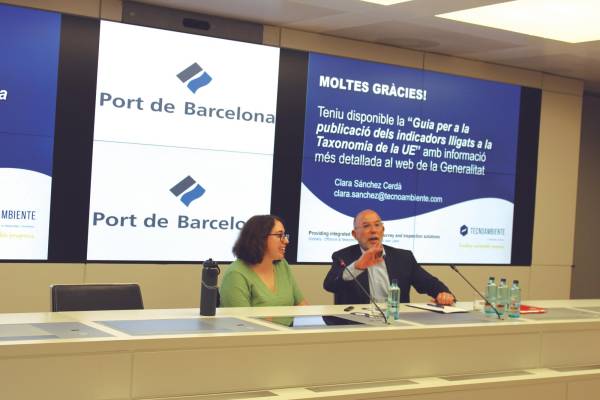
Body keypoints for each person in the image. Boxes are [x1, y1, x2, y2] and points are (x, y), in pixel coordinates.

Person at [323, 209, 455, 305]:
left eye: (377, 225)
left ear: (383, 230)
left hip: (396, 323)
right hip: (357, 326)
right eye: (366, 226)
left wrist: (443, 294)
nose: (373, 230)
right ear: (354, 234)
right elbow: (330, 285)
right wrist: (357, 266)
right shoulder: (343, 256)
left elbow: (430, 283)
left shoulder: (403, 257)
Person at [220, 215, 307, 307]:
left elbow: (302, 305)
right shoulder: (235, 274)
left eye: (285, 235)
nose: (286, 241)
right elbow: (240, 320)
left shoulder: (282, 265)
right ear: (260, 238)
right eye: (279, 235)